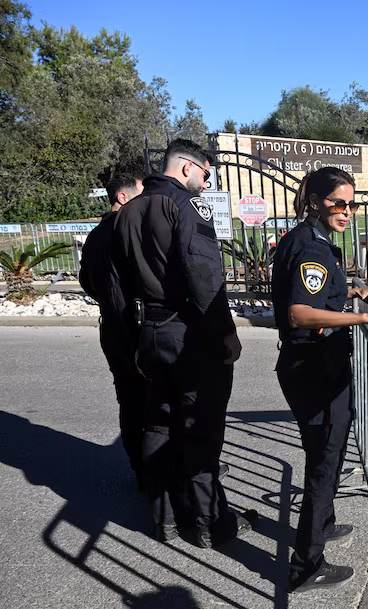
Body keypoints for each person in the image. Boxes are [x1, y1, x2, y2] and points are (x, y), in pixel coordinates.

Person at [112, 139, 251, 546]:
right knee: (201, 426)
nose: (206, 184)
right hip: (187, 334)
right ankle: (211, 523)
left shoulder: (127, 211)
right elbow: (205, 277)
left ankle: (165, 520)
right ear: (188, 167)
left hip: (149, 334)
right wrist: (226, 332)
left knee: (158, 425)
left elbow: (117, 290)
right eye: (206, 174)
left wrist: (135, 342)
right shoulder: (187, 204)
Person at [271, 167, 368, 593]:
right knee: (323, 465)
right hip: (313, 369)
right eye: (338, 203)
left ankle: (321, 523)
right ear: (315, 203)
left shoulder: (308, 239)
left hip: (314, 365)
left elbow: (318, 294)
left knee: (329, 453)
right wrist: (365, 316)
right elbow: (299, 312)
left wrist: (350, 293)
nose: (347, 211)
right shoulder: (313, 247)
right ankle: (306, 565)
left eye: (352, 204)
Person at [79, 174, 144, 486]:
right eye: (141, 194)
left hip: (112, 329)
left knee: (129, 400)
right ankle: (159, 472)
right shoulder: (130, 230)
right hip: (138, 328)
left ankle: (140, 468)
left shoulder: (95, 235)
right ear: (122, 197)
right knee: (153, 400)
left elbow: (86, 281)